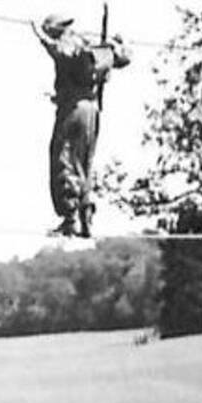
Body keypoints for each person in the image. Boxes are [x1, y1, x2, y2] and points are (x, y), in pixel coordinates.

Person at [31, 13, 131, 237]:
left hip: (73, 109)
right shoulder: (91, 45)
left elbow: (62, 54)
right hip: (91, 110)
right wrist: (118, 44)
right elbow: (122, 58)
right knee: (84, 163)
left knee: (63, 159)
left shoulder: (68, 44)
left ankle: (71, 218)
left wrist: (42, 40)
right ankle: (86, 219)